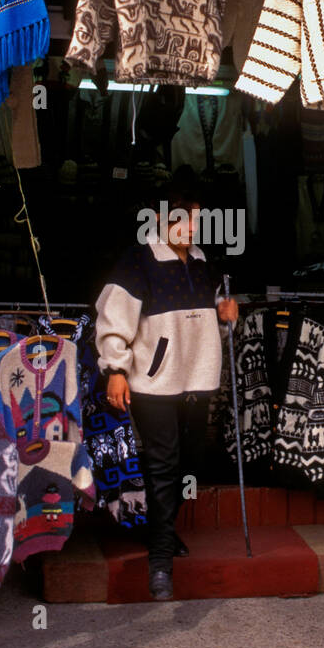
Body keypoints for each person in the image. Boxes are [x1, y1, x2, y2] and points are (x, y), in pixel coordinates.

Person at [94, 168, 238, 600]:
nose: (191, 228)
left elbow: (209, 325)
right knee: (162, 465)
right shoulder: (138, 261)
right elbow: (112, 320)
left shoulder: (201, 262)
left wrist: (225, 317)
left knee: (188, 464)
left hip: (197, 381)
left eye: (196, 220)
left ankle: (162, 531)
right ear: (160, 220)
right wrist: (115, 369)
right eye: (183, 219)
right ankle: (160, 565)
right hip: (154, 384)